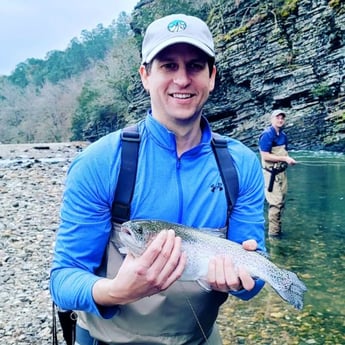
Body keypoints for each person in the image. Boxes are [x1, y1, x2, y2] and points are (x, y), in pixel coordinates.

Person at [50, 14, 266, 345]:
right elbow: (63, 281)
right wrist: (117, 290)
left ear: (212, 77)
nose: (182, 79)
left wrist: (242, 281)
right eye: (168, 66)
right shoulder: (99, 162)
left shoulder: (241, 165)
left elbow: (255, 278)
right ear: (145, 76)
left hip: (198, 337)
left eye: (195, 66)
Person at [259, 109, 296, 238]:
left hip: (282, 173)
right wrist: (285, 159)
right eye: (277, 118)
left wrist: (288, 160)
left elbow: (283, 153)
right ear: (271, 119)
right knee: (275, 203)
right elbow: (265, 156)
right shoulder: (267, 135)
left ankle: (278, 230)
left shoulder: (283, 136)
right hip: (271, 175)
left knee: (282, 203)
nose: (280, 120)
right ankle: (273, 236)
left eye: (282, 118)